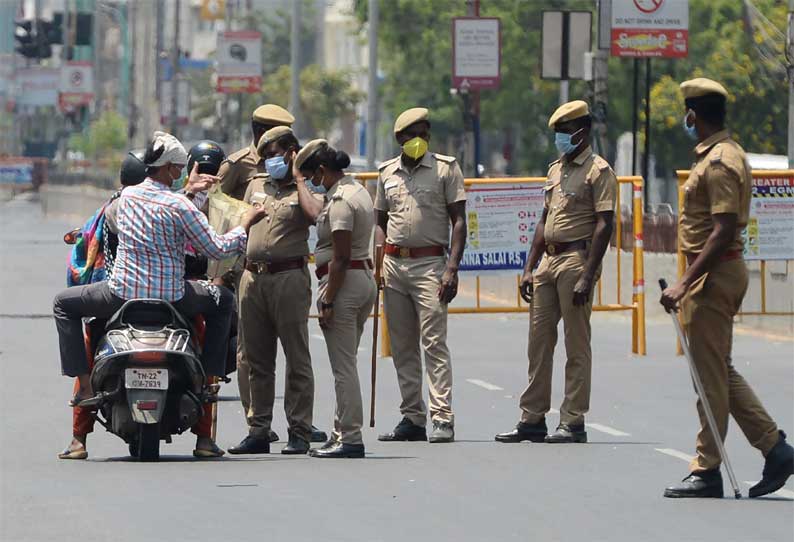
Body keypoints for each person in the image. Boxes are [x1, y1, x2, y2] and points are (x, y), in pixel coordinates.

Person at [53, 131, 266, 459]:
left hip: (120, 295)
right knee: (222, 301)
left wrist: (189, 192)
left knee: (64, 304)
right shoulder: (180, 206)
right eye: (178, 168)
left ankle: (84, 387)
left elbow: (154, 211)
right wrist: (246, 223)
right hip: (173, 297)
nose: (181, 173)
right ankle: (210, 380)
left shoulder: (124, 201)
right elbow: (216, 247)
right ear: (168, 168)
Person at [660, 78, 793, 499]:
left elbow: (722, 231)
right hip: (717, 273)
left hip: (712, 275)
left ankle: (707, 469)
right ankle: (775, 449)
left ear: (693, 115)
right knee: (718, 371)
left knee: (708, 379)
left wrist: (684, 282)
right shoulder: (724, 154)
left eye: (687, 111)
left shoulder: (719, 162)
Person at [495, 100, 616, 445]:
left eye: (565, 131)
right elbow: (542, 220)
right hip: (548, 262)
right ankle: (532, 417)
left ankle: (573, 420)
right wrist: (529, 267)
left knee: (576, 344)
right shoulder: (555, 170)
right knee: (538, 342)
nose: (560, 138)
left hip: (577, 259)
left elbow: (605, 225)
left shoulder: (599, 171)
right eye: (558, 132)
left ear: (583, 131)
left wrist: (587, 276)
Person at [375, 107, 467, 444]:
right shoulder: (386, 173)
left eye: (425, 134)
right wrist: (378, 263)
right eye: (414, 135)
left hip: (431, 266)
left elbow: (459, 220)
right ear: (401, 139)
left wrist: (451, 269)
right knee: (401, 346)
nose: (420, 140)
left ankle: (442, 416)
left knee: (433, 343)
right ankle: (412, 417)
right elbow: (380, 222)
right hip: (394, 265)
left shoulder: (446, 169)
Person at [228, 127, 318, 455]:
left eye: (276, 153)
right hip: (253, 279)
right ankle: (259, 429)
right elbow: (231, 217)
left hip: (289, 278)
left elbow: (315, 215)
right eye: (265, 155)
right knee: (255, 358)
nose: (270, 160)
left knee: (296, 357)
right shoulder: (255, 184)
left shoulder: (307, 185)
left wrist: (297, 178)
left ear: (292, 152)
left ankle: (299, 429)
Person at [293, 139, 377, 458]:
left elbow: (340, 257)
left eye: (314, 177)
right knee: (348, 363)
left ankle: (351, 437)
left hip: (344, 282)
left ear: (324, 170)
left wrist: (328, 300)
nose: (314, 183)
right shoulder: (357, 189)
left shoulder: (341, 201)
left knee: (343, 367)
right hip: (360, 279)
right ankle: (341, 431)